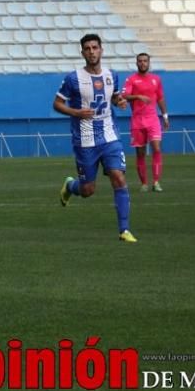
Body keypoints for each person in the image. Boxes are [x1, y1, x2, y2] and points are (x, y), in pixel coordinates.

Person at [55, 34, 137, 243]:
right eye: (87, 49)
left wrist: (119, 101)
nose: (91, 52)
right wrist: (76, 112)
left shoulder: (112, 75)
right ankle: (70, 186)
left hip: (110, 135)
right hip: (85, 140)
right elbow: (57, 104)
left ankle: (124, 230)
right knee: (88, 190)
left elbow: (114, 96)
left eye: (95, 47)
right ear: (82, 52)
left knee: (118, 177)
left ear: (101, 50)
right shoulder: (73, 78)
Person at [121, 52, 170, 192]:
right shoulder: (131, 79)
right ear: (137, 63)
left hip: (153, 119)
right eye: (140, 61)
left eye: (145, 61)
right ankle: (144, 183)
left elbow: (160, 98)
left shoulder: (156, 79)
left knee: (157, 148)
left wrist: (165, 116)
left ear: (149, 63)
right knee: (140, 153)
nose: (143, 63)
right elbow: (124, 95)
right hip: (137, 120)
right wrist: (138, 96)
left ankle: (156, 182)